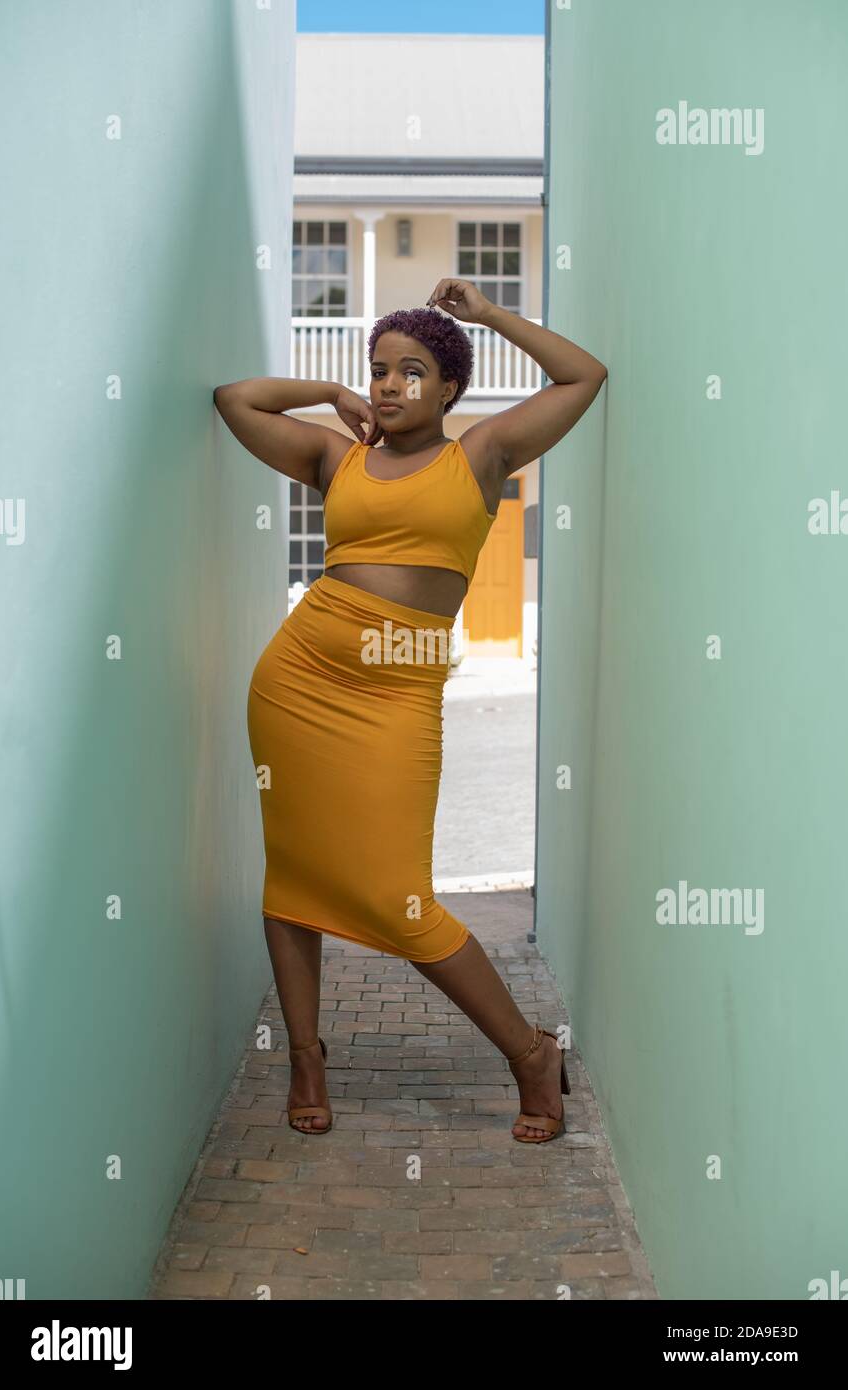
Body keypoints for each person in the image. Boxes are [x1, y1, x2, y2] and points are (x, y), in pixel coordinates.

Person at [214, 277, 607, 1142]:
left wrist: (492, 316)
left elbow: (584, 377)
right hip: (298, 678)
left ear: (450, 388)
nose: (390, 385)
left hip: (399, 692)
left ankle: (529, 1054)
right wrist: (326, 391)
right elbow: (234, 399)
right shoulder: (334, 456)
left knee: (400, 899)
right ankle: (307, 1060)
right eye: (379, 370)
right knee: (291, 883)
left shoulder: (484, 453)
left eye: (412, 371)